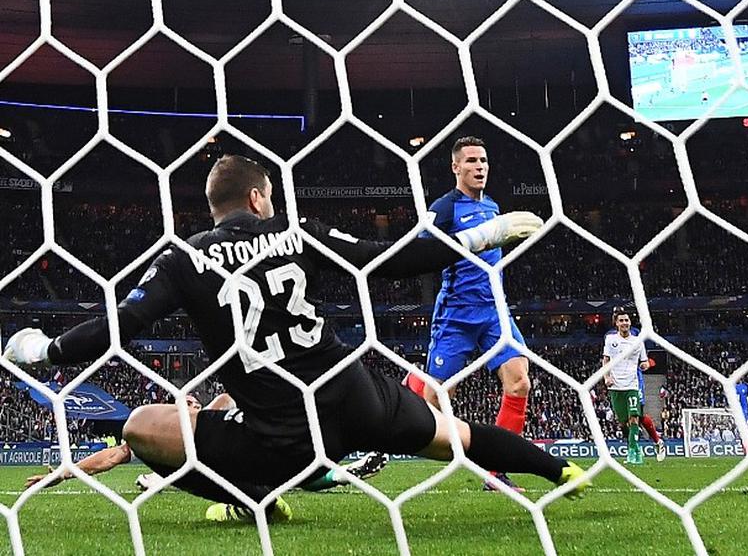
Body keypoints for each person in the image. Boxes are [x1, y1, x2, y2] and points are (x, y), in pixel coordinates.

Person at [4, 154, 587, 523]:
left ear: (214, 207)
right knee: (458, 437)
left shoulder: (184, 259)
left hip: (281, 436)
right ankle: (559, 471)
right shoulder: (293, 231)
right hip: (354, 396)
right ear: (258, 198)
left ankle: (251, 501)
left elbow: (117, 326)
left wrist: (43, 350)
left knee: (139, 426)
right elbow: (386, 260)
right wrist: (483, 234)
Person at [415, 136, 534, 492]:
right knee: (435, 398)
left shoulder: (494, 207)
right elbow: (421, 248)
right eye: (471, 161)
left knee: (520, 381)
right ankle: (409, 390)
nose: (479, 166)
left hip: (495, 310)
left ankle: (496, 472)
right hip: (457, 314)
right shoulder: (445, 208)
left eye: (483, 160)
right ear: (456, 167)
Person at [25, 392, 389, 499]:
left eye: (193, 402)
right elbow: (114, 454)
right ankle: (341, 474)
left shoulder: (216, 413)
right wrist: (65, 473)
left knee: (282, 477)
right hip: (213, 474)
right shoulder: (160, 434)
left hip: (235, 461)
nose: (192, 405)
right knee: (275, 489)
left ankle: (342, 474)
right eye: (185, 403)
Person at [602, 309, 650, 465]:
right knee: (623, 422)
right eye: (621, 320)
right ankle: (633, 446)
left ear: (630, 322)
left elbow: (645, 361)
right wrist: (606, 377)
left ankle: (633, 452)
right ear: (616, 323)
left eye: (626, 320)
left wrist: (645, 365)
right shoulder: (610, 340)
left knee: (634, 417)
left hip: (632, 385)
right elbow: (606, 360)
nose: (624, 323)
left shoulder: (638, 341)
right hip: (616, 386)